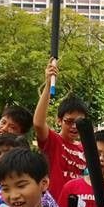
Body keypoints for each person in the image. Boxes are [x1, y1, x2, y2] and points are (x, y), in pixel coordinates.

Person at [34, 58, 88, 199]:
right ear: (59, 121)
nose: (74, 126)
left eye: (79, 122)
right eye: (69, 121)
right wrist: (47, 84)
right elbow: (39, 123)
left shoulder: (87, 148)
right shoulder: (54, 141)